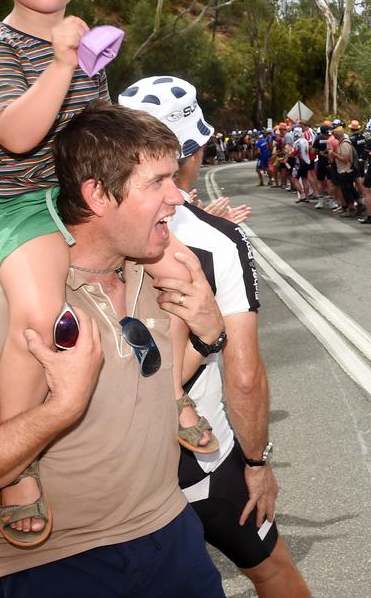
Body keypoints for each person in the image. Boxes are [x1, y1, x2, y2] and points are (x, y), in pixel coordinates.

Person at [0, 0, 215, 546]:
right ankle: (15, 466)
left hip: (82, 194)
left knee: (174, 261)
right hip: (24, 204)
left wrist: (157, 188)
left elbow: (100, 135)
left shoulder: (89, 47)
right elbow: (18, 135)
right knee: (39, 312)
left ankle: (169, 395)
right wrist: (60, 62)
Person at [0, 103, 226, 597]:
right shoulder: (2, 304)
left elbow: (144, 391)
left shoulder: (155, 275)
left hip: (173, 537)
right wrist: (60, 409)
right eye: (158, 182)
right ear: (98, 195)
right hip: (56, 566)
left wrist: (210, 335)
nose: (179, 196)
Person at [121, 79, 311, 597]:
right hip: (197, 454)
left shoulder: (79, 224)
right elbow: (243, 376)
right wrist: (256, 463)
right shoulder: (214, 240)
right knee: (276, 574)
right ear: (192, 148)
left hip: (106, 461)